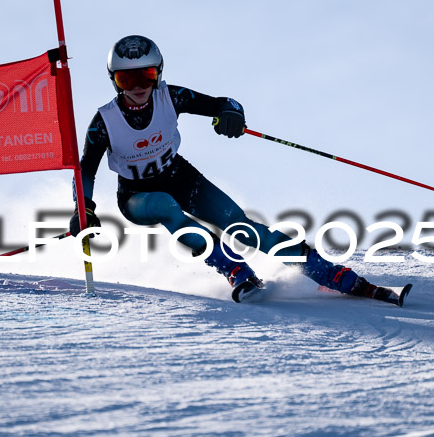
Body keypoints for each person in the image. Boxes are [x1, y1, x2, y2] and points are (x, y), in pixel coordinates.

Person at [70, 35, 403, 305]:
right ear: (114, 81)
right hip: (137, 195)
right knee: (167, 208)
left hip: (180, 176)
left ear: (158, 73)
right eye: (126, 78)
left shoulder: (172, 97)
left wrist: (230, 114)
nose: (138, 86)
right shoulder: (104, 123)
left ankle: (328, 274)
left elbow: (222, 103)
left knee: (240, 225)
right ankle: (235, 270)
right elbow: (86, 168)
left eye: (147, 76)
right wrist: (83, 207)